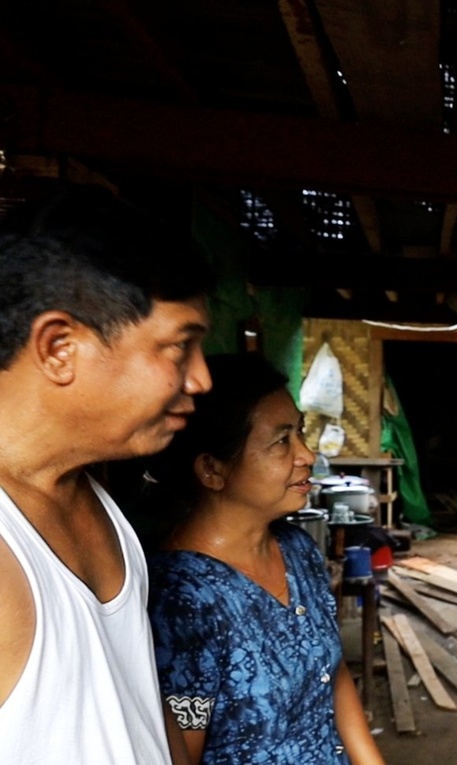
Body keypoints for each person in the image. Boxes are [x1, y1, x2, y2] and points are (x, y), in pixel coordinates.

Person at [0, 184, 214, 763]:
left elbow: (135, 700)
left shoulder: (93, 496)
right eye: (178, 348)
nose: (201, 380)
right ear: (60, 347)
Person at [133, 353, 385, 765]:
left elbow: (332, 673)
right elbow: (182, 750)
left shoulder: (297, 550)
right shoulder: (179, 601)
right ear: (212, 469)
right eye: (282, 440)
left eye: (300, 434)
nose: (305, 454)